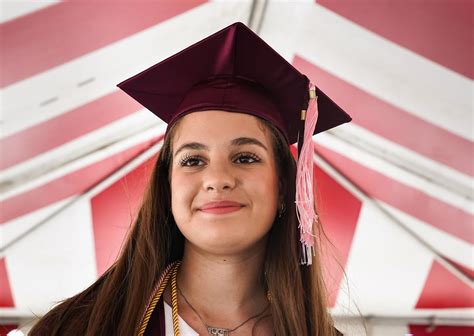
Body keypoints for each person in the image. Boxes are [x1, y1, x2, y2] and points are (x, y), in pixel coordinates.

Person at [30, 22, 351, 336]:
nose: (218, 179)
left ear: (283, 186)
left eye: (245, 158)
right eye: (193, 160)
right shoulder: (75, 328)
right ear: (167, 184)